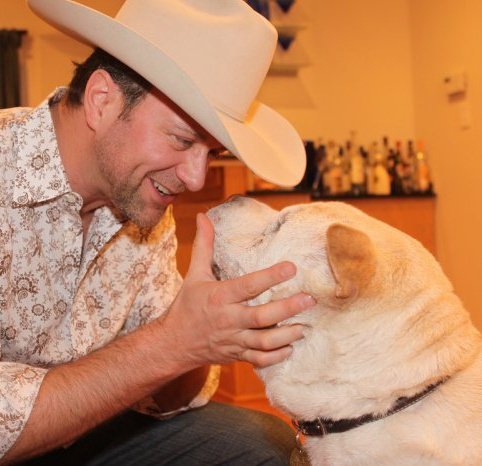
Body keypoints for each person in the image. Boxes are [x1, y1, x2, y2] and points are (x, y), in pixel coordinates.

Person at [0, 0, 313, 464]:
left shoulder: (142, 208)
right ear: (102, 101)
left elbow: (167, 398)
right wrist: (174, 342)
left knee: (262, 445)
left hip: (87, 434)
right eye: (182, 140)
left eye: (212, 153)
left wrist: (209, 332)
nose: (196, 179)